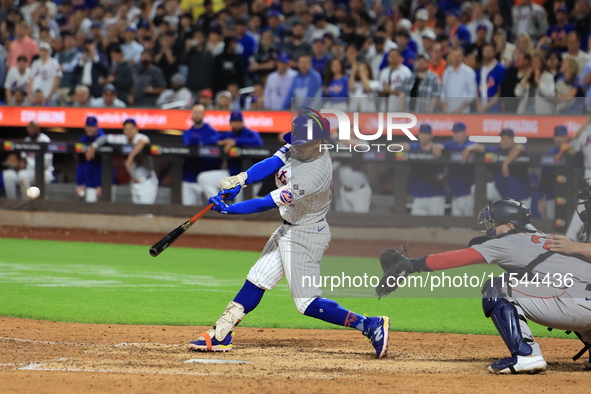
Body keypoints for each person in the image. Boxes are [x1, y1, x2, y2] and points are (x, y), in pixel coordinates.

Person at [188, 113, 390, 359]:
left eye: (302, 143)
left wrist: (230, 209)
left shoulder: (313, 175)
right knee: (257, 278)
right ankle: (222, 333)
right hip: (289, 227)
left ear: (319, 142)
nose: (296, 146)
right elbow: (273, 162)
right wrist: (241, 180)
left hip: (305, 234)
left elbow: (265, 203)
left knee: (306, 303)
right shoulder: (302, 145)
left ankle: (370, 324)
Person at [376, 198, 591, 373]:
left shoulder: (508, 242)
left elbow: (454, 258)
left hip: (578, 306)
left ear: (509, 225)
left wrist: (410, 265)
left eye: (495, 224)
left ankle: (527, 355)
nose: (491, 229)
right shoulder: (543, 238)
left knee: (498, 288)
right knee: (555, 287)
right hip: (583, 300)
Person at [85, 119, 158, 205]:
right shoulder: (123, 138)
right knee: (137, 214)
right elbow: (105, 138)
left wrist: (130, 158)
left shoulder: (140, 137)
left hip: (147, 182)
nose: (128, 131)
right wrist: (93, 147)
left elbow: (144, 141)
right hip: (134, 183)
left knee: (147, 213)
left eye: (131, 128)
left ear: (136, 129)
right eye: (126, 129)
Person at [197, 110, 264, 202]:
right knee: (204, 178)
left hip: (249, 180)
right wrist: (220, 142)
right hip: (232, 176)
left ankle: (264, 204)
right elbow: (209, 140)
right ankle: (220, 206)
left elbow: (258, 143)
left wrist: (235, 142)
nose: (236, 124)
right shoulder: (228, 135)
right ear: (230, 123)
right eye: (234, 122)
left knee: (240, 206)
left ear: (242, 122)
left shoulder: (250, 134)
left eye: (239, 121)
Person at [462, 129, 531, 207]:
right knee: (475, 188)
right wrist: (468, 148)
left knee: (519, 218)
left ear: (513, 140)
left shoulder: (520, 150)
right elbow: (481, 148)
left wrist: (505, 163)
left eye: (508, 138)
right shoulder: (497, 150)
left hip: (521, 198)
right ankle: (485, 214)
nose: (505, 141)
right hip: (501, 193)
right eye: (503, 138)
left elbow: (519, 148)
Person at [400, 124, 445, 216]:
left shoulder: (437, 149)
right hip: (418, 196)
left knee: (436, 228)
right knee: (418, 229)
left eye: (426, 134)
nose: (423, 136)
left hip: (435, 196)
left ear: (431, 136)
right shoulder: (414, 147)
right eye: (421, 133)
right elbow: (394, 147)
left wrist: (442, 147)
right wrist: (403, 146)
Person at [182, 104, 220, 206]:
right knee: (187, 209)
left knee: (210, 209)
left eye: (199, 113)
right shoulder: (187, 132)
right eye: (194, 113)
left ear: (203, 115)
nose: (197, 115)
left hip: (205, 176)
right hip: (189, 177)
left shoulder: (212, 132)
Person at [441, 122, 476, 217]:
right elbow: (438, 146)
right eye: (454, 132)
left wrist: (469, 149)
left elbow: (481, 148)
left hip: (469, 195)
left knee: (469, 224)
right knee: (456, 227)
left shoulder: (471, 144)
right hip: (455, 195)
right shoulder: (450, 144)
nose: (455, 134)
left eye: (458, 132)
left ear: (465, 132)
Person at [537, 126, 570, 219]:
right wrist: (540, 199)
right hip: (552, 196)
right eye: (557, 135)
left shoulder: (574, 152)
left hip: (571, 197)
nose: (559, 138)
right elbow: (543, 179)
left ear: (567, 137)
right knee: (551, 225)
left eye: (562, 135)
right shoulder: (550, 154)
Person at [18, 121, 54, 197]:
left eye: (33, 128)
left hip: (45, 171)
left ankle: (42, 203)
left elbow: (46, 163)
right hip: (30, 171)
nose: (31, 130)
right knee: (22, 175)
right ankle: (26, 203)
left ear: (38, 129)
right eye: (29, 128)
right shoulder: (26, 140)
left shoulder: (45, 140)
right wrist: (21, 164)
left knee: (39, 178)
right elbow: (23, 159)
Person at [76, 116, 106, 203]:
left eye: (93, 127)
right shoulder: (83, 140)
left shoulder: (102, 138)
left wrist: (101, 184)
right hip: (88, 182)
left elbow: (104, 166)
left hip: (102, 182)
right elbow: (81, 162)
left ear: (97, 127)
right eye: (88, 126)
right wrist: (79, 183)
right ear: (85, 127)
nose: (90, 129)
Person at [440, 47, 477, 114]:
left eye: (459, 56)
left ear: (462, 57)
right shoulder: (447, 72)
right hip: (448, 111)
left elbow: (472, 93)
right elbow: (443, 91)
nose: (456, 58)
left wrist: (460, 109)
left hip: (463, 111)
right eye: (454, 56)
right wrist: (445, 108)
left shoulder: (469, 72)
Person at [476, 42, 506, 113]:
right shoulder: (480, 70)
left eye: (490, 51)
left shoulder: (501, 69)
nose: (487, 54)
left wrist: (486, 106)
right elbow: (476, 89)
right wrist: (479, 106)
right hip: (480, 108)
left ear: (494, 52)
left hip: (495, 109)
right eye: (485, 51)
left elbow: (500, 91)